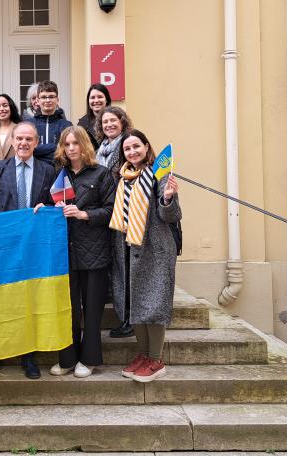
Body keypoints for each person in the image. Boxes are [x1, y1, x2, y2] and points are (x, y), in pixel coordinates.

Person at [0, 121, 57, 379]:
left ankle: (28, 357)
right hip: (4, 246)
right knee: (1, 300)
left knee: (29, 300)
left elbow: (57, 203)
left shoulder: (48, 170)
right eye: (19, 139)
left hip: (35, 247)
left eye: (28, 139)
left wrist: (46, 208)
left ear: (36, 143)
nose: (23, 143)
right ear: (12, 141)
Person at [111, 129, 181, 383]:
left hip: (155, 249)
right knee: (135, 303)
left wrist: (168, 197)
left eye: (136, 146)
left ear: (146, 147)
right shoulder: (124, 177)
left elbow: (171, 216)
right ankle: (142, 355)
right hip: (128, 249)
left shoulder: (159, 174)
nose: (132, 152)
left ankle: (155, 359)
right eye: (127, 149)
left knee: (154, 305)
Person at [49, 127, 116, 378]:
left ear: (85, 145)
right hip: (65, 251)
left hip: (94, 251)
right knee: (68, 309)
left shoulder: (101, 174)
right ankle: (67, 359)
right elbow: (51, 205)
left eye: (76, 143)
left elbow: (111, 211)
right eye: (66, 144)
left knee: (91, 308)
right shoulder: (60, 174)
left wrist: (83, 214)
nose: (71, 148)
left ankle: (89, 359)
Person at [94, 106, 135, 338]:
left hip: (125, 213)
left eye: (113, 121)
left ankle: (129, 317)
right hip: (108, 211)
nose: (108, 125)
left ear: (122, 122)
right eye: (105, 122)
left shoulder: (126, 145)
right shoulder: (102, 149)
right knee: (118, 266)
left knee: (125, 267)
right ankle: (124, 313)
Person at [29, 80, 72, 164]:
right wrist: (55, 146)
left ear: (57, 99)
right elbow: (29, 149)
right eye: (44, 97)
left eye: (51, 97)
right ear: (38, 100)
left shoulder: (67, 125)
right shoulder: (29, 125)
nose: (48, 100)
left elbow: (66, 150)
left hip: (59, 171)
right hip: (36, 172)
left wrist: (39, 150)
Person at [77, 83, 111, 150]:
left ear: (106, 100)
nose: (96, 100)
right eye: (92, 98)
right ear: (88, 101)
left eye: (100, 97)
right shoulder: (82, 124)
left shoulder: (116, 119)